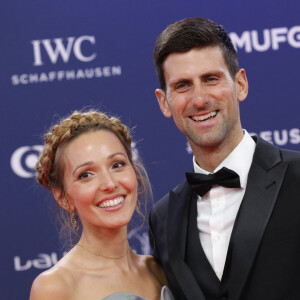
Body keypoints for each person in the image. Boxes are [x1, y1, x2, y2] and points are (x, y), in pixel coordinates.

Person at [149, 17, 300, 300]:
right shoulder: (162, 218)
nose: (199, 99)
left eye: (211, 79)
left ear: (240, 84)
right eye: (182, 85)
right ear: (164, 102)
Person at [30, 110, 174, 300]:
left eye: (117, 165)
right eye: (86, 174)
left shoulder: (160, 270)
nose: (109, 184)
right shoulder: (54, 287)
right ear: (64, 198)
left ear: (135, 173)